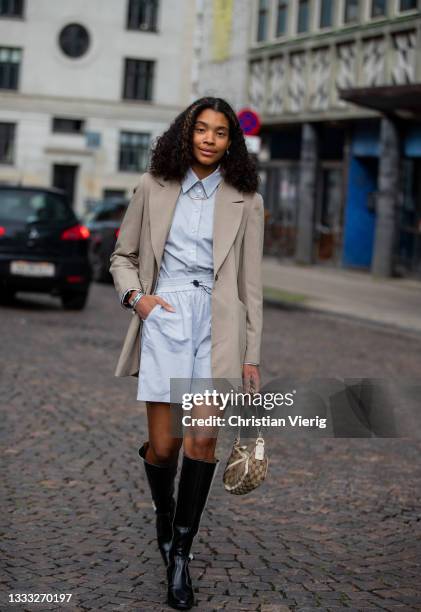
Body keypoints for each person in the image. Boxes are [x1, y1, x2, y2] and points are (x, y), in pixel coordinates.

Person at [109, 97, 264, 610]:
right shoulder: (154, 186)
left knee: (201, 439)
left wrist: (251, 354)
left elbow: (251, 284)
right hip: (167, 316)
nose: (209, 139)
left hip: (218, 327)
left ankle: (180, 552)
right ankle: (164, 512)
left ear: (229, 141)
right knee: (164, 447)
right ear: (187, 133)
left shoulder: (246, 197)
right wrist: (139, 300)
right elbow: (123, 255)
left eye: (220, 132)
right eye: (201, 129)